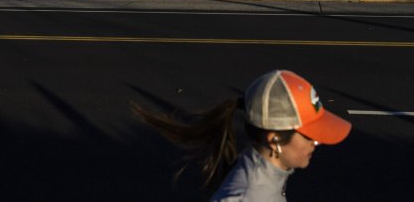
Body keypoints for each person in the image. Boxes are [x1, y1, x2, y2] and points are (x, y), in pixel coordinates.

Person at [135, 69, 351, 200]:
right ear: (274, 139)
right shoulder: (246, 197)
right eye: (308, 134)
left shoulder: (265, 178)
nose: (317, 142)